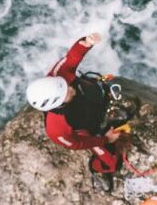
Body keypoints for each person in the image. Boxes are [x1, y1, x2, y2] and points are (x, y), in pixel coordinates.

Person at [26, 33, 129, 193]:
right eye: (65, 92)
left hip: (92, 99)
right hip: (90, 127)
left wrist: (86, 43)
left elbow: (70, 59)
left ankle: (107, 108)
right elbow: (78, 143)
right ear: (57, 105)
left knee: (96, 93)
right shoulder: (57, 129)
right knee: (113, 163)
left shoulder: (57, 77)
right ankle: (97, 169)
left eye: (64, 85)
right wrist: (104, 139)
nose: (69, 87)